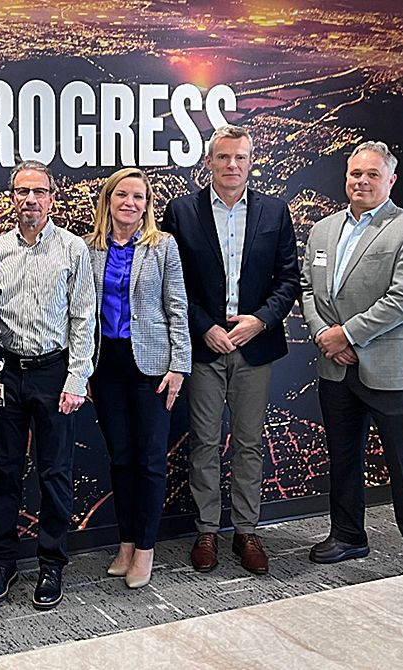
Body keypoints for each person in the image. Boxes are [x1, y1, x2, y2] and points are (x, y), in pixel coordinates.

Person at [162, 124, 299, 575]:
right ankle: (207, 530)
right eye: (223, 157)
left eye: (240, 158)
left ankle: (246, 531)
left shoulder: (275, 212)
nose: (232, 166)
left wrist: (259, 321)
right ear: (208, 162)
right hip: (204, 348)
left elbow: (288, 280)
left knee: (249, 443)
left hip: (254, 346)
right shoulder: (181, 212)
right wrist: (204, 328)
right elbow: (172, 281)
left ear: (251, 161)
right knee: (202, 441)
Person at [301, 140, 403, 573]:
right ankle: (347, 536)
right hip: (336, 367)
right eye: (355, 174)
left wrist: (347, 335)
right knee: (343, 457)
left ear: (391, 180)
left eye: (372, 174)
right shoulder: (323, 230)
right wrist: (325, 334)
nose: (362, 181)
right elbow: (309, 289)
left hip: (389, 367)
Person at [0, 160, 96, 610]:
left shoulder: (72, 250)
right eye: (22, 191)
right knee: (6, 472)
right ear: (12, 198)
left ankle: (51, 564)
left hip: (54, 373)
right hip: (8, 373)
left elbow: (83, 318)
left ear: (52, 197)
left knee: (55, 474)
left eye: (39, 192)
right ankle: (3, 563)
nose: (30, 199)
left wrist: (76, 378)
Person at [85, 168, 191, 588]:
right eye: (122, 195)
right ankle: (125, 543)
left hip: (152, 368)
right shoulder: (89, 248)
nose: (131, 203)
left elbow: (178, 307)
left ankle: (145, 549)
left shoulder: (162, 246)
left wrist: (179, 365)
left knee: (149, 460)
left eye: (139, 197)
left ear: (148, 204)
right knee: (121, 458)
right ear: (108, 201)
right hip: (106, 366)